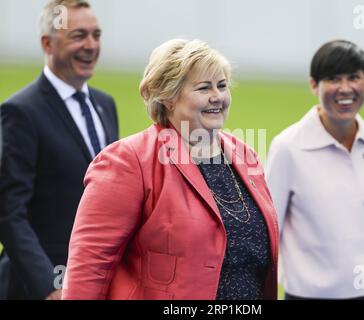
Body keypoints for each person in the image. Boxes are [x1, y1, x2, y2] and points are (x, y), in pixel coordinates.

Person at [62, 39, 278, 300]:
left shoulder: (246, 156)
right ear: (168, 98)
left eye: (222, 86)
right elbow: (89, 266)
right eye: (203, 87)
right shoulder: (128, 161)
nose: (217, 97)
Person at [0, 0, 119, 300]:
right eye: (78, 35)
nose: (91, 45)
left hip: (95, 278)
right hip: (37, 286)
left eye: (97, 35)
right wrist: (47, 287)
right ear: (47, 43)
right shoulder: (21, 112)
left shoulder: (105, 106)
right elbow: (10, 212)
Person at [266, 40, 364, 300]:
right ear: (314, 85)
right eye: (334, 79)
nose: (345, 88)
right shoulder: (288, 147)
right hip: (310, 296)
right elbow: (270, 232)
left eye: (354, 77)